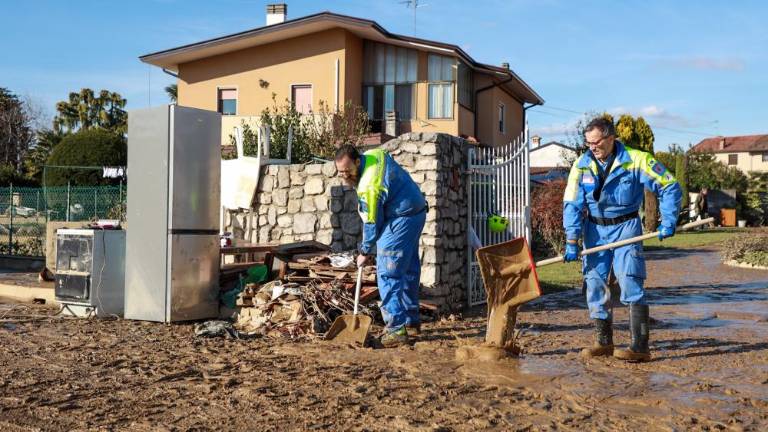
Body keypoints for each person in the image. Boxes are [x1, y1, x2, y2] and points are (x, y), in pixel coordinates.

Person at [562, 118, 682, 362]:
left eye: (596, 142)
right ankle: (603, 342)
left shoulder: (637, 160)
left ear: (611, 137)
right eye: (588, 143)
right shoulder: (581, 165)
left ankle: (639, 347)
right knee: (594, 283)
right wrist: (572, 239)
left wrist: (668, 220)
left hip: (627, 229)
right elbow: (572, 203)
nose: (592, 147)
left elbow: (669, 185)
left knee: (630, 281)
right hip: (594, 231)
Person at [334, 144, 427, 348]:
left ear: (358, 162)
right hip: (416, 210)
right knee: (409, 267)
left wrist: (364, 251)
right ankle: (411, 321)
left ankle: (396, 330)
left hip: (400, 217)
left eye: (347, 171)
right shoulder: (373, 155)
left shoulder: (369, 185)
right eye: (340, 172)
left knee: (388, 272)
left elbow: (372, 223)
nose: (344, 176)